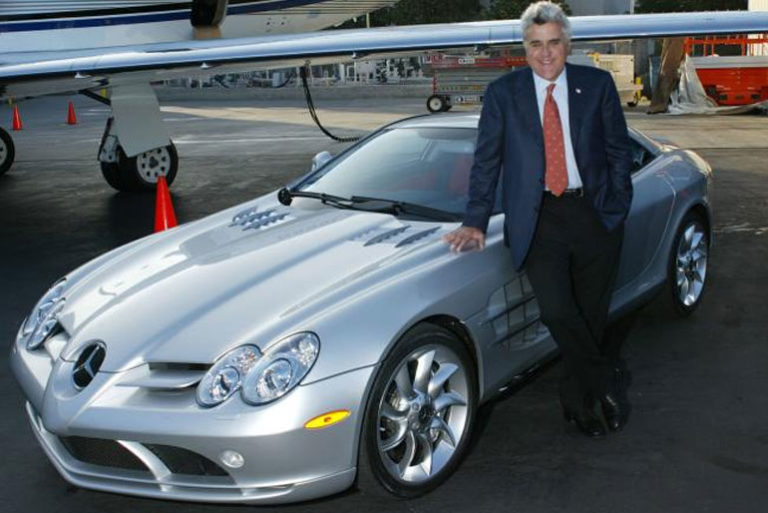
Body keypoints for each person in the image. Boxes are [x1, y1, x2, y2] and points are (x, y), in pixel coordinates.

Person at [444, 1, 633, 438]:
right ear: (524, 48)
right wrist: (475, 219)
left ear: (567, 44)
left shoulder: (597, 85)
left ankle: (579, 403)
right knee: (558, 312)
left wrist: (617, 203)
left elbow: (618, 150)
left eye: (553, 43)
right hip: (538, 218)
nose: (545, 53)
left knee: (590, 315)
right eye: (535, 44)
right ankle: (604, 382)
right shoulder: (503, 94)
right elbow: (486, 162)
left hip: (594, 214)